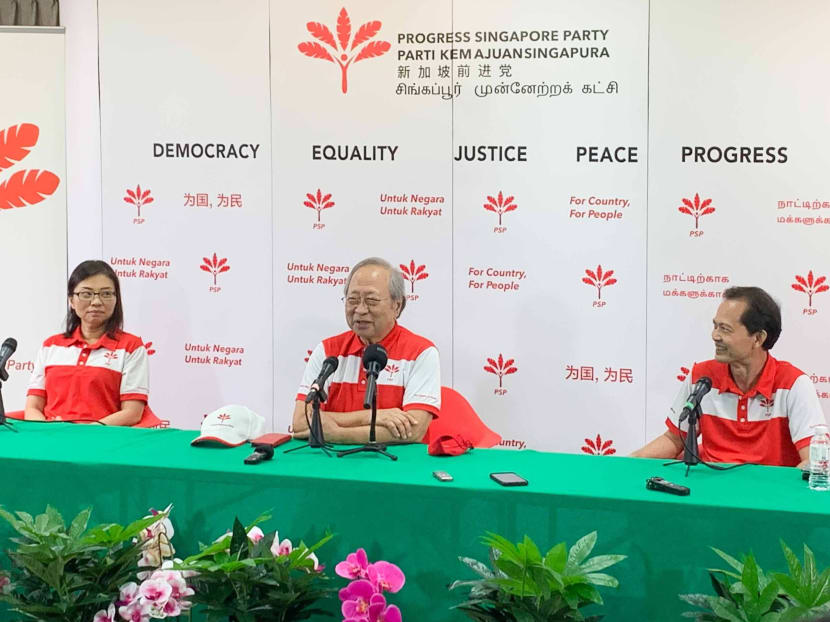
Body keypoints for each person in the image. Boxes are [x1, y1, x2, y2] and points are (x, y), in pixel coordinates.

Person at [633, 286, 825, 467]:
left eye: (725, 329)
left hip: (769, 489)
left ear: (758, 338)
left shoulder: (793, 384)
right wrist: (625, 464)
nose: (715, 336)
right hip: (708, 487)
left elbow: (814, 461)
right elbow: (674, 440)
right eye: (715, 326)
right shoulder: (702, 377)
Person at [292, 257, 440, 444]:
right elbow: (301, 422)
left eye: (371, 300)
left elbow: (414, 430)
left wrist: (337, 434)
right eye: (353, 300)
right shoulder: (328, 351)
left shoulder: (421, 352)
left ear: (397, 305)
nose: (360, 310)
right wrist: (373, 417)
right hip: (332, 458)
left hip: (399, 460)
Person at [23, 260, 156, 426]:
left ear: (116, 300)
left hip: (102, 438)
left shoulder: (131, 347)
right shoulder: (51, 346)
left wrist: (87, 432)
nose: (96, 302)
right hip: (51, 437)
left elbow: (132, 413)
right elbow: (32, 407)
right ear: (71, 300)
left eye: (106, 294)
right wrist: (49, 430)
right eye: (87, 294)